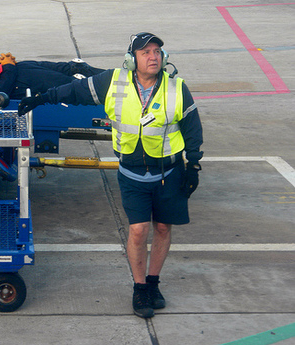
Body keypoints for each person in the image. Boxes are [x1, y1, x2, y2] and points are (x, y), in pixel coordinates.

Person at [18, 32, 203, 318]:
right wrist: (42, 99)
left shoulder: (177, 88)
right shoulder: (112, 81)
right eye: (146, 52)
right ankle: (140, 288)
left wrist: (193, 165)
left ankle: (154, 283)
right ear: (132, 59)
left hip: (169, 172)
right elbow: (74, 91)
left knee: (164, 228)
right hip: (132, 173)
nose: (153, 56)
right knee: (139, 230)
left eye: (157, 51)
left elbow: (192, 127)